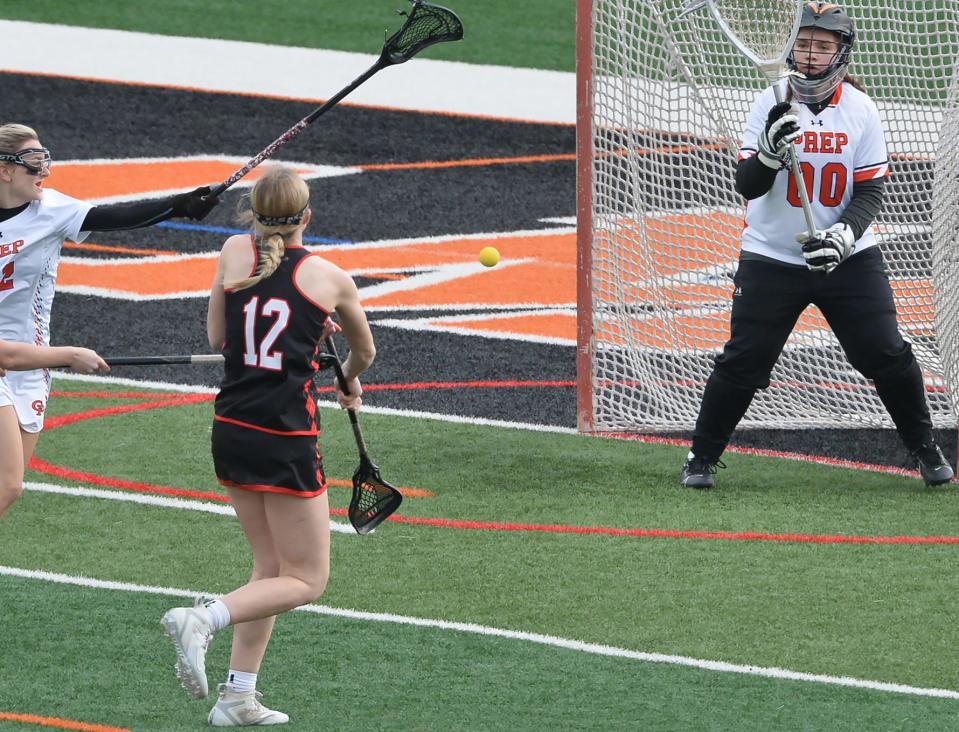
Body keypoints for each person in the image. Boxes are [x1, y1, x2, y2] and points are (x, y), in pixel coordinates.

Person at [680, 2, 954, 489]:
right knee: (745, 360)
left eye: (821, 46)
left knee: (886, 353)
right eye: (803, 44)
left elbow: (870, 190)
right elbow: (747, 185)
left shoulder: (861, 110)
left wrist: (843, 237)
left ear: (841, 53)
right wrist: (767, 152)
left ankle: (924, 447)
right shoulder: (769, 102)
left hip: (848, 257)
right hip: (771, 256)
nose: (809, 56)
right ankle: (701, 457)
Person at [161, 165, 375, 726]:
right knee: (307, 580)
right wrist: (346, 379)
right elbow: (364, 355)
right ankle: (205, 617)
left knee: (271, 567)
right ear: (307, 216)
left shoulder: (233, 251)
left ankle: (238, 698)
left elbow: (219, 339)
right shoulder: (331, 278)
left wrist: (306, 332)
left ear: (253, 214)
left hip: (231, 425)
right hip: (285, 436)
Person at [0, 123, 218, 518]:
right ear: (4, 169)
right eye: (34, 164)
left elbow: (115, 216)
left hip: (30, 364)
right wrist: (68, 354)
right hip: (10, 358)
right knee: (7, 486)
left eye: (45, 161)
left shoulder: (51, 211)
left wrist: (180, 204)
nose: (44, 173)